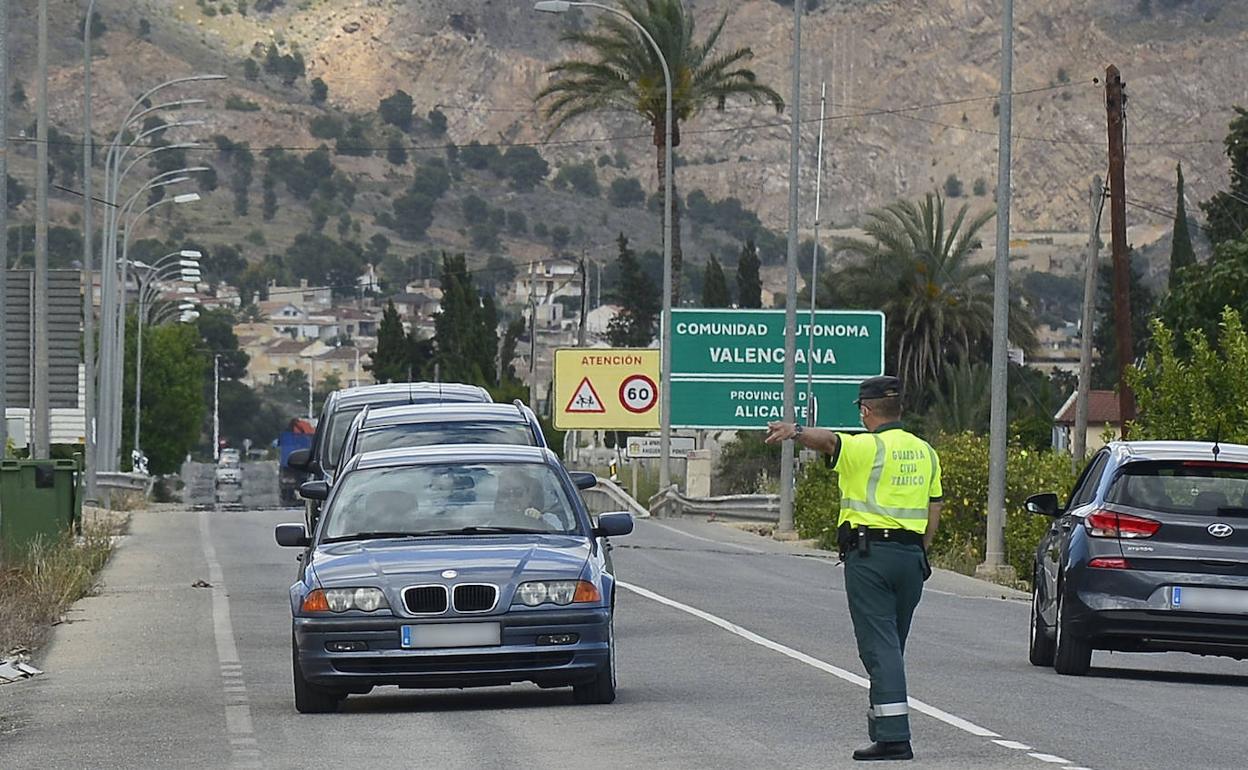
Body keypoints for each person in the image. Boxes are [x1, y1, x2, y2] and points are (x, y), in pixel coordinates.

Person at [765, 375, 942, 762]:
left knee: (879, 647)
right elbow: (934, 508)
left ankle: (895, 735)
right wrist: (921, 553)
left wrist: (794, 431)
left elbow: (829, 442)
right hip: (911, 558)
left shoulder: (867, 447)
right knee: (892, 645)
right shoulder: (926, 451)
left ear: (865, 410)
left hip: (871, 557)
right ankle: (884, 725)